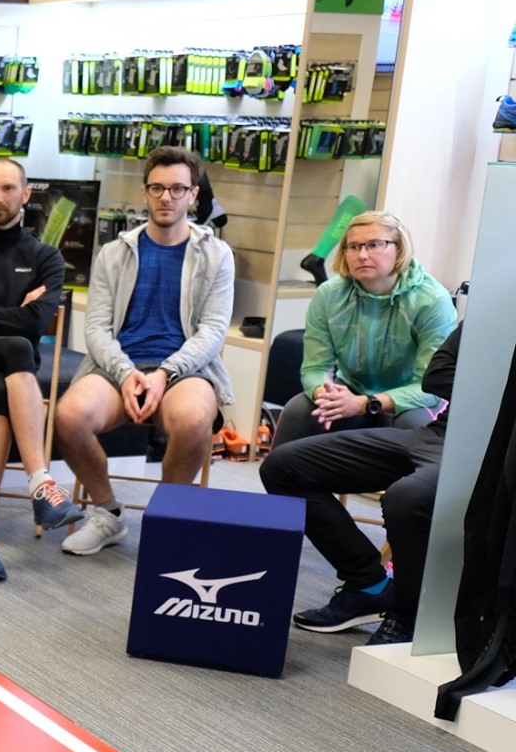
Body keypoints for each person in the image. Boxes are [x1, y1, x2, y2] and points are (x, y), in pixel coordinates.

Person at [52, 147, 234, 556]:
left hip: (184, 370)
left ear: (194, 195)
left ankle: (166, 517)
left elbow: (212, 332)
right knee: (69, 416)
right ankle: (107, 513)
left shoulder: (217, 254)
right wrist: (124, 372)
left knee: (194, 419)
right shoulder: (115, 252)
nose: (166, 197)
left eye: (177, 189)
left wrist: (164, 374)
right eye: (157, 188)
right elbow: (96, 328)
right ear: (144, 192)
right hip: (119, 367)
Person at [262, 323, 462, 644]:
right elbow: (436, 375)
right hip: (441, 434)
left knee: (405, 497)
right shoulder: (493, 315)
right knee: (282, 467)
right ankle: (369, 584)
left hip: (494, 447)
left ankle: (408, 612)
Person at [0, 157, 81, 581]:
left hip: (3, 382)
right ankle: (41, 482)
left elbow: (36, 322)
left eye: (7, 189)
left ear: (26, 194)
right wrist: (14, 317)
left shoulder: (46, 257)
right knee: (17, 346)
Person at [275, 211, 455, 449]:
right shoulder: (328, 295)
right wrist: (325, 394)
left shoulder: (432, 301)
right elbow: (315, 368)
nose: (362, 255)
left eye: (374, 245)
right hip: (351, 388)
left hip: (412, 398)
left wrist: (365, 403)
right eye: (354, 247)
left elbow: (430, 387)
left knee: (415, 426)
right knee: (298, 412)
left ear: (400, 249)